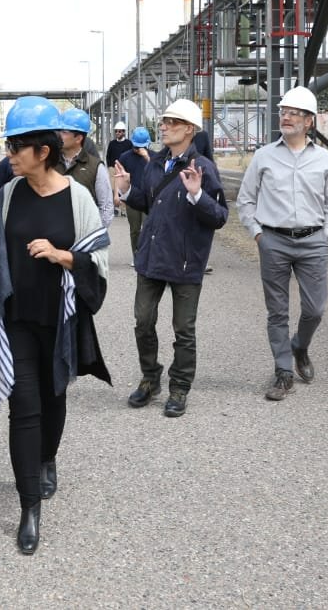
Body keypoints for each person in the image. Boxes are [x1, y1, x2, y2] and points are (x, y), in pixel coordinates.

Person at [0, 96, 110, 555]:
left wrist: (64, 256)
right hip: (16, 322)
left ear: (44, 151)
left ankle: (48, 457)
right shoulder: (8, 194)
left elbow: (102, 261)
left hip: (60, 321)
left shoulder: (79, 198)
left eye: (17, 146)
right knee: (24, 409)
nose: (10, 154)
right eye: (10, 146)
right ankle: (29, 506)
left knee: (54, 402)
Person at [114, 98, 227, 418]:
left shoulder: (202, 168)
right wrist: (125, 191)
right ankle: (151, 379)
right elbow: (150, 203)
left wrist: (196, 195)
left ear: (190, 130)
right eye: (163, 121)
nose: (163, 126)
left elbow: (220, 216)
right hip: (152, 257)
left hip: (186, 260)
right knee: (143, 321)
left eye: (172, 122)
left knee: (183, 329)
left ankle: (179, 386)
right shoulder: (154, 164)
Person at [235, 86, 328, 402]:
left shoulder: (324, 159)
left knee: (315, 308)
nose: (287, 117)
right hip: (274, 242)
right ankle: (283, 371)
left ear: (309, 121)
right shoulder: (265, 156)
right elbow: (245, 200)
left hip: (313, 242)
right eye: (284, 111)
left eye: (294, 113)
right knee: (277, 311)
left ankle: (300, 346)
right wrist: (258, 234)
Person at [58, 108, 113, 229]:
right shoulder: (50, 164)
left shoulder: (96, 167)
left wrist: (94, 237)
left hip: (84, 239)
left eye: (64, 132)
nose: (59, 135)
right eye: (59, 130)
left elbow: (106, 207)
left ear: (78, 138)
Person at [116, 126, 152, 258]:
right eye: (137, 147)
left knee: (149, 228)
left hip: (149, 198)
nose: (139, 149)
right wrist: (117, 194)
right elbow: (118, 176)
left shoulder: (153, 157)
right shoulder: (125, 157)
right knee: (135, 230)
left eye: (142, 146)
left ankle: (148, 255)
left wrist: (147, 157)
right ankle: (136, 255)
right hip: (131, 197)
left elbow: (159, 174)